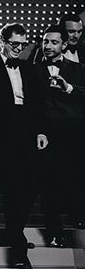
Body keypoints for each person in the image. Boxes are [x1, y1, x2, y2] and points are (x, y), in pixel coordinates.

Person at [0, 23, 48, 269]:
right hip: (1, 135)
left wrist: (41, 131)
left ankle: (14, 230)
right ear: (2, 42)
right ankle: (18, 249)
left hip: (27, 132)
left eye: (23, 45)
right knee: (11, 189)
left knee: (32, 185)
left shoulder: (28, 68)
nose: (19, 48)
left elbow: (37, 103)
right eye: (15, 44)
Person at [34, 25, 85, 243]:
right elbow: (32, 105)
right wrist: (39, 131)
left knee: (75, 178)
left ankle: (78, 218)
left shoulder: (79, 69)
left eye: (54, 42)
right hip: (47, 135)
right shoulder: (33, 69)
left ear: (64, 45)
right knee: (49, 183)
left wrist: (68, 88)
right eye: (45, 41)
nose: (48, 46)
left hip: (75, 133)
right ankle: (54, 232)